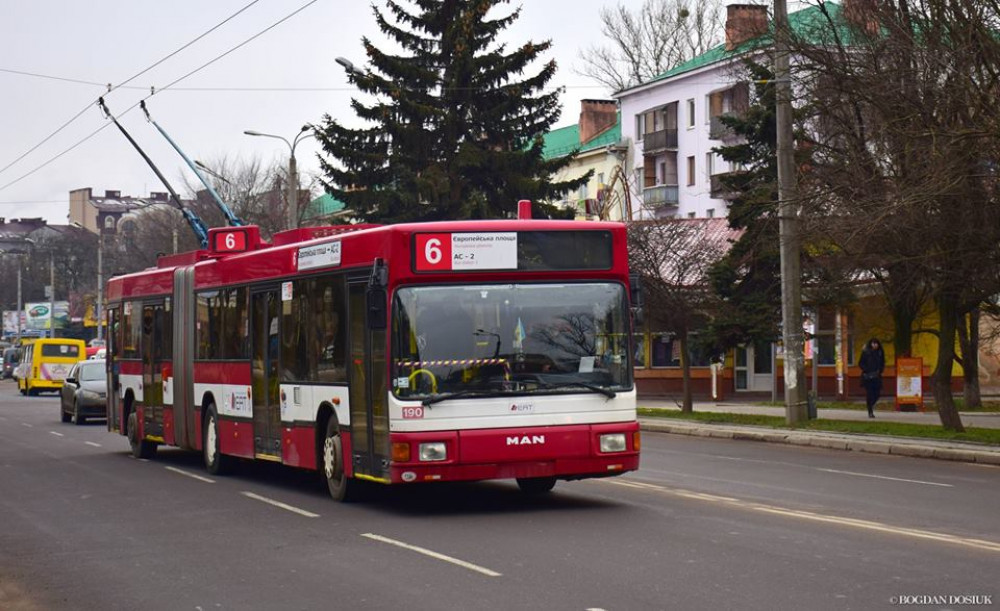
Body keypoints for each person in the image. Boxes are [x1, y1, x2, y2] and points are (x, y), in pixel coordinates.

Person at [859, 338, 886, 418]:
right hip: (868, 377)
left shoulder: (880, 352)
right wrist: (866, 369)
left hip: (877, 376)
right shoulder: (866, 352)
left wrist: (880, 370)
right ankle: (870, 410)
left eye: (876, 343)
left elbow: (882, 362)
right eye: (873, 343)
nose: (875, 345)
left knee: (877, 394)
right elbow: (861, 363)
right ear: (870, 344)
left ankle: (871, 404)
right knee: (869, 393)